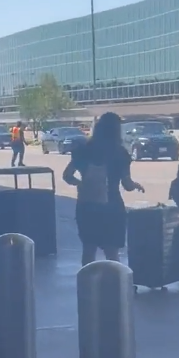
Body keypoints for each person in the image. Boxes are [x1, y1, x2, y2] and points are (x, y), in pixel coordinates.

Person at [63, 112, 145, 266]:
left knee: (88, 250)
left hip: (86, 205)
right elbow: (126, 185)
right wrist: (135, 185)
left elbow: (67, 175)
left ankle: (87, 283)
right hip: (112, 206)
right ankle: (114, 284)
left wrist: (80, 183)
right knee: (112, 252)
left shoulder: (83, 149)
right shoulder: (120, 152)